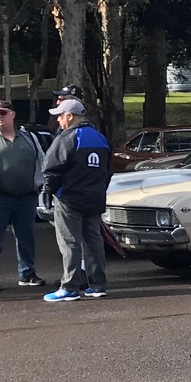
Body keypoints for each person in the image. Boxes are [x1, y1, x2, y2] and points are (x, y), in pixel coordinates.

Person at [40, 99, 111, 302]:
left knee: (70, 242)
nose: (58, 120)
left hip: (69, 199)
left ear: (70, 116)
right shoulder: (100, 138)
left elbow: (51, 168)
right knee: (93, 241)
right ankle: (97, 285)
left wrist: (48, 192)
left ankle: (70, 287)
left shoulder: (67, 137)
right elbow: (108, 171)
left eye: (60, 116)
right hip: (94, 198)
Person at [0, 101, 46, 291]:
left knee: (26, 237)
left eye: (3, 113)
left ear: (13, 115)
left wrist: (41, 184)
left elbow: (42, 160)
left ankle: (27, 273)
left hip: (27, 196)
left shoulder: (29, 137)